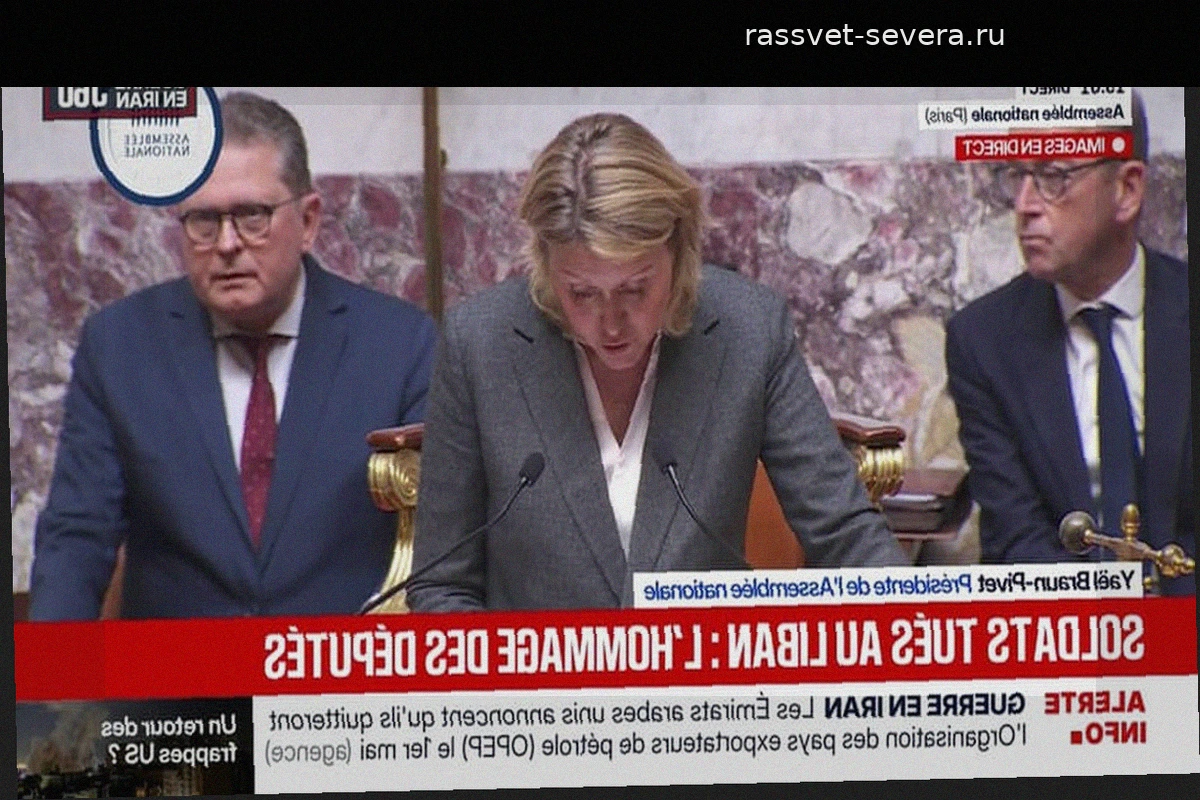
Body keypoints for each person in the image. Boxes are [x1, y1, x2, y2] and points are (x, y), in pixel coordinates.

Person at [407, 113, 906, 612]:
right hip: (536, 663)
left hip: (706, 661)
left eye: (635, 289)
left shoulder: (749, 331)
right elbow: (442, 586)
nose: (611, 324)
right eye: (582, 293)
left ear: (679, 252)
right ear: (544, 263)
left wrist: (917, 622)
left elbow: (845, 535)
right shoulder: (481, 344)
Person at [28, 92, 437, 619]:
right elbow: (77, 538)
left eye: (252, 215)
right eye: (203, 219)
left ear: (309, 220)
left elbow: (441, 545)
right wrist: (54, 666)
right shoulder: (121, 346)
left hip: (336, 668)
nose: (226, 244)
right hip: (177, 669)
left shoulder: (399, 345)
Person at [945, 94, 1194, 595]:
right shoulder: (984, 341)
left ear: (1127, 190)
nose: (1025, 205)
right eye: (1017, 175)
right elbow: (1016, 542)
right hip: (1069, 626)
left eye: (1054, 176)